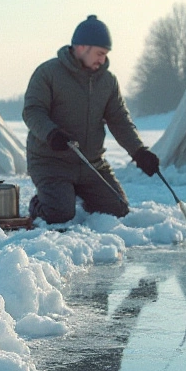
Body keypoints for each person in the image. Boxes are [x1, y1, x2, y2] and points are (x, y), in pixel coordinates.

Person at [23, 15, 159, 224]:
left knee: (118, 209)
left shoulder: (107, 81)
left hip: (91, 164)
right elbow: (32, 111)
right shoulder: (48, 73)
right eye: (99, 53)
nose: (102, 60)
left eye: (105, 55)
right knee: (59, 214)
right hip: (51, 162)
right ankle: (44, 201)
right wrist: (51, 133)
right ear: (82, 47)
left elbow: (119, 120)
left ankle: (74, 193)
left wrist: (139, 152)